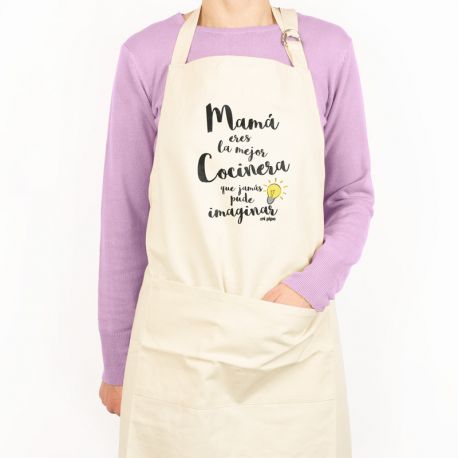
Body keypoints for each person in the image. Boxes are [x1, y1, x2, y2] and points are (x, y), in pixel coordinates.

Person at [98, 1, 374, 456]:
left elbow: (352, 194)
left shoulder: (327, 50)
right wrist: (117, 360)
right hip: (179, 354)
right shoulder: (146, 55)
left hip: (290, 349)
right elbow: (124, 219)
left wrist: (312, 287)